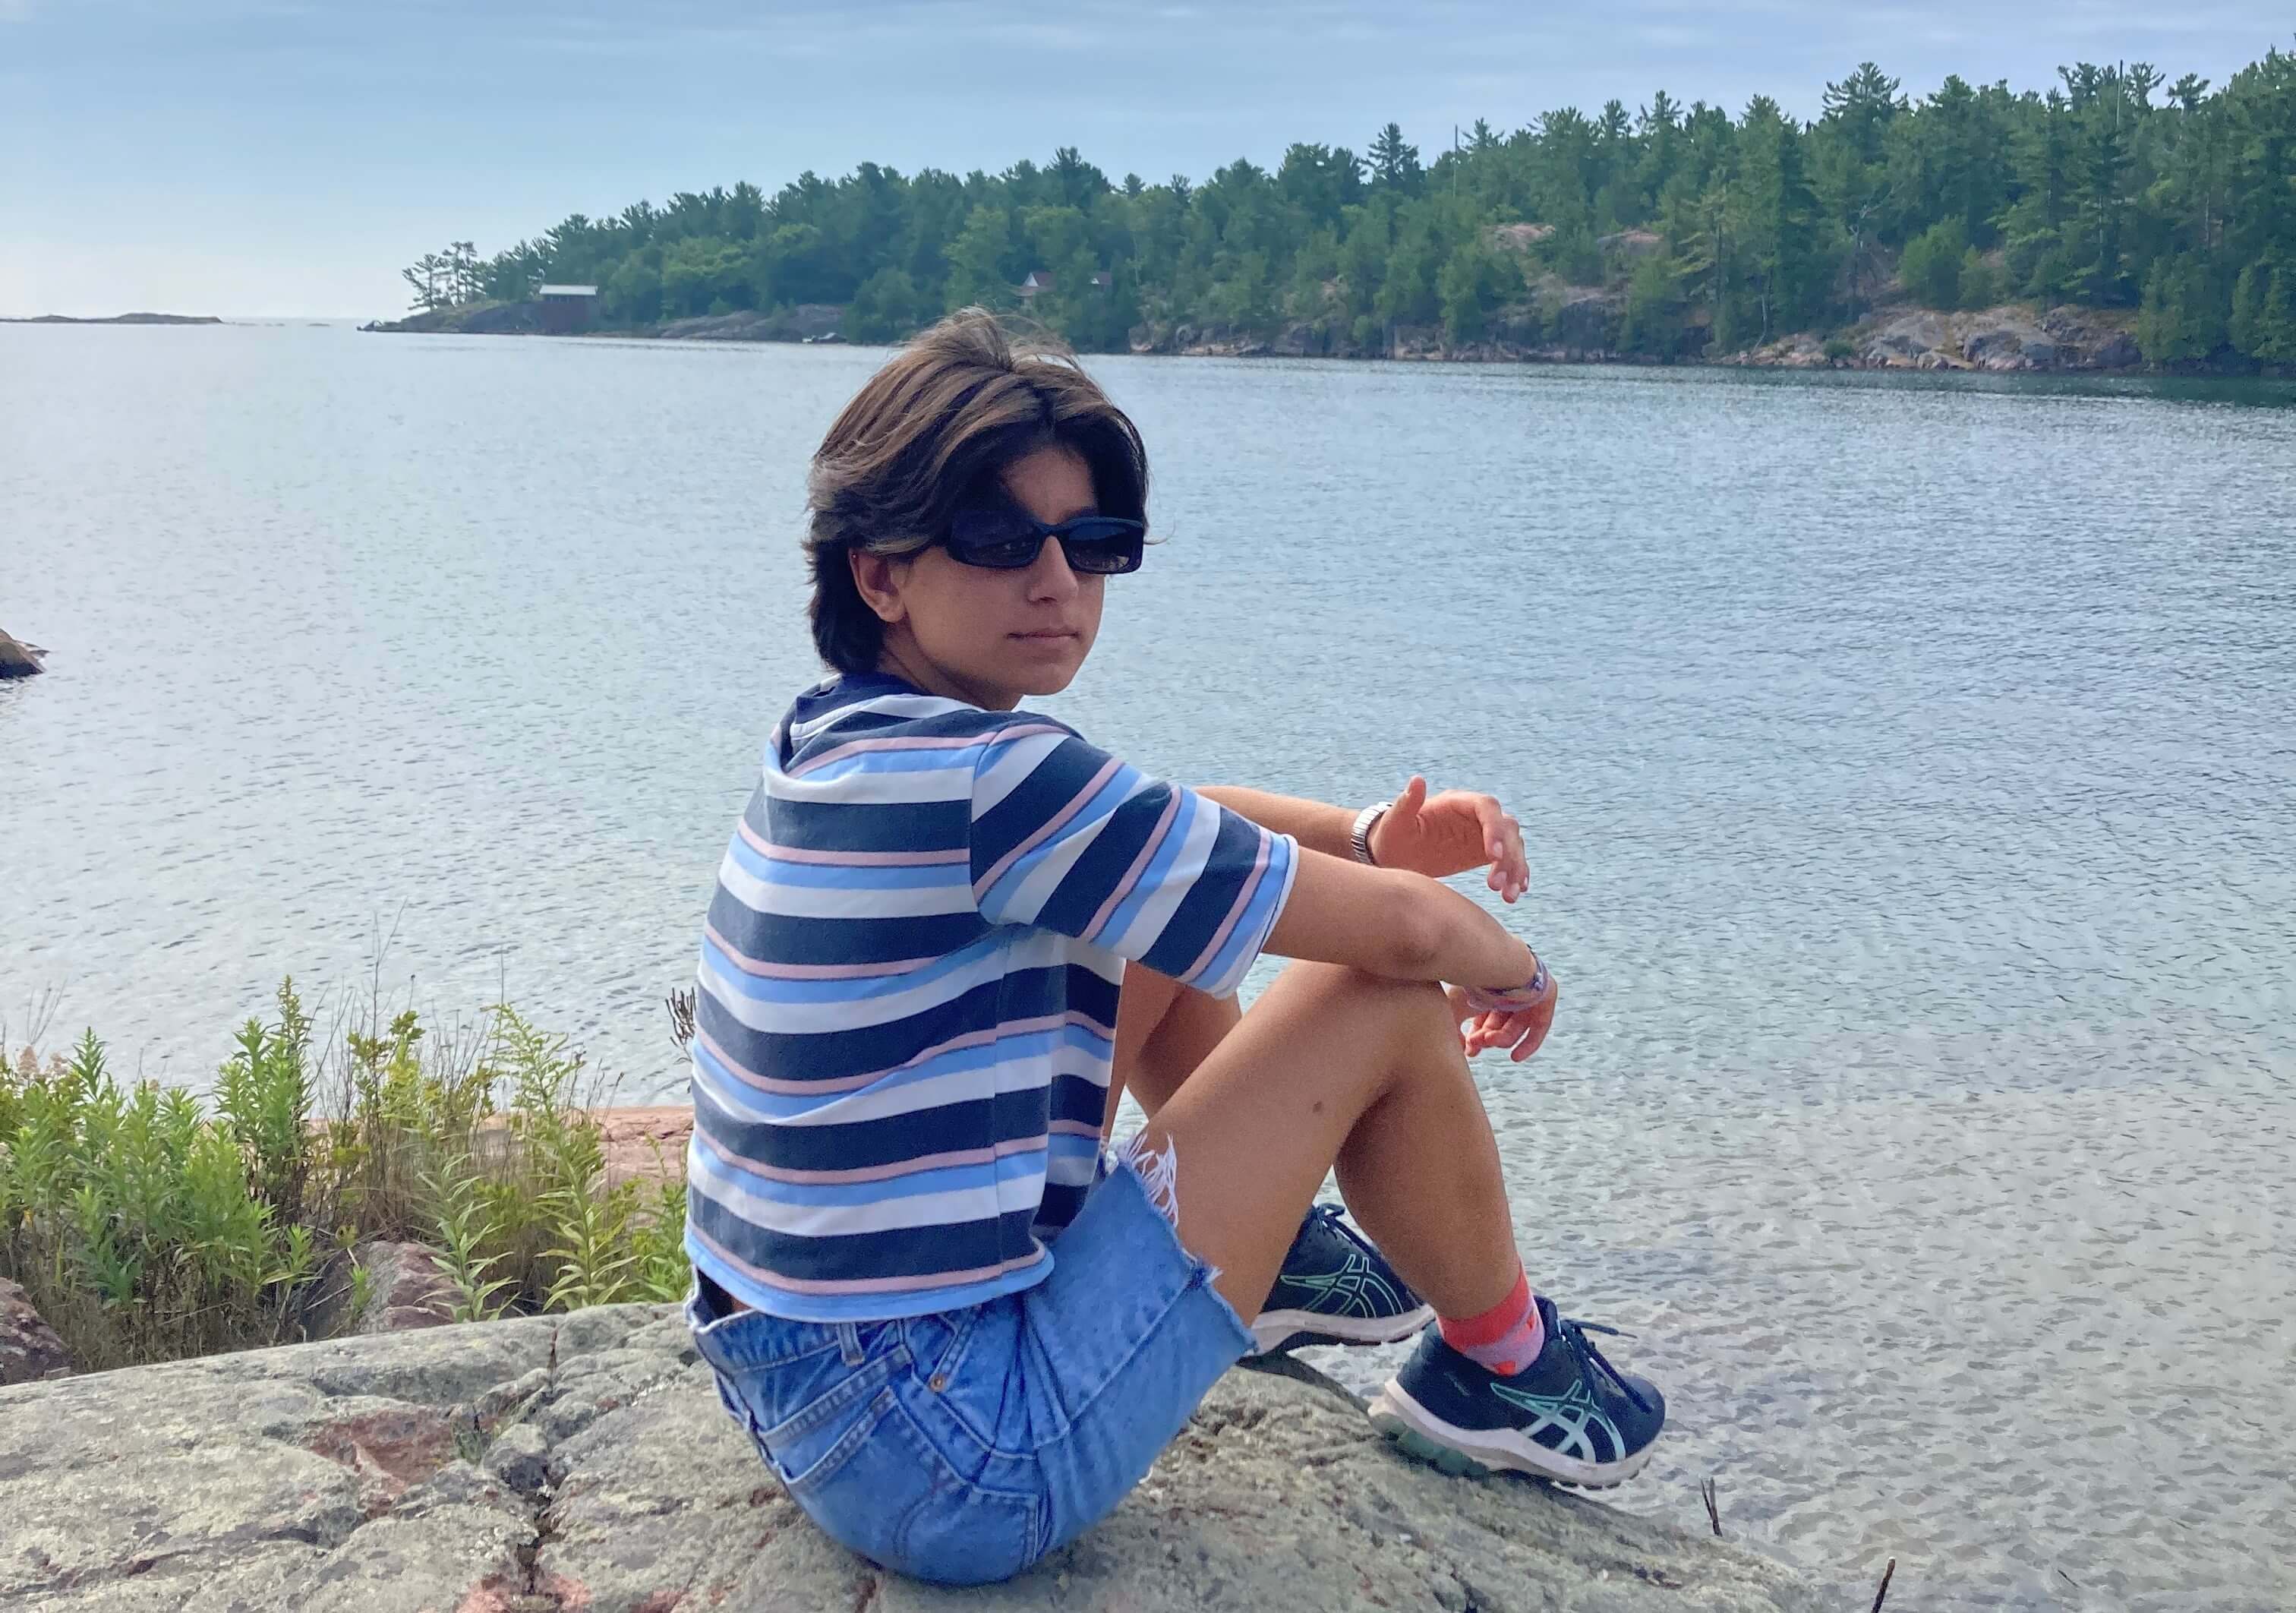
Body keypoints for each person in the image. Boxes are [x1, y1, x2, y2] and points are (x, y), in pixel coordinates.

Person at [682, 309, 1665, 1586]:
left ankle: (1268, 1266)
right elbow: (1407, 934)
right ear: (880, 572)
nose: (1056, 581)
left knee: (1154, 906)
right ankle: (1505, 1369)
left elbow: (1165, 830)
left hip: (806, 1393)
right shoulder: (1001, 781)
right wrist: (1512, 971)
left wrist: (1368, 832)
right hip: (965, 1455)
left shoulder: (843, 741)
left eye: (1092, 545)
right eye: (997, 541)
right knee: (1385, 997)